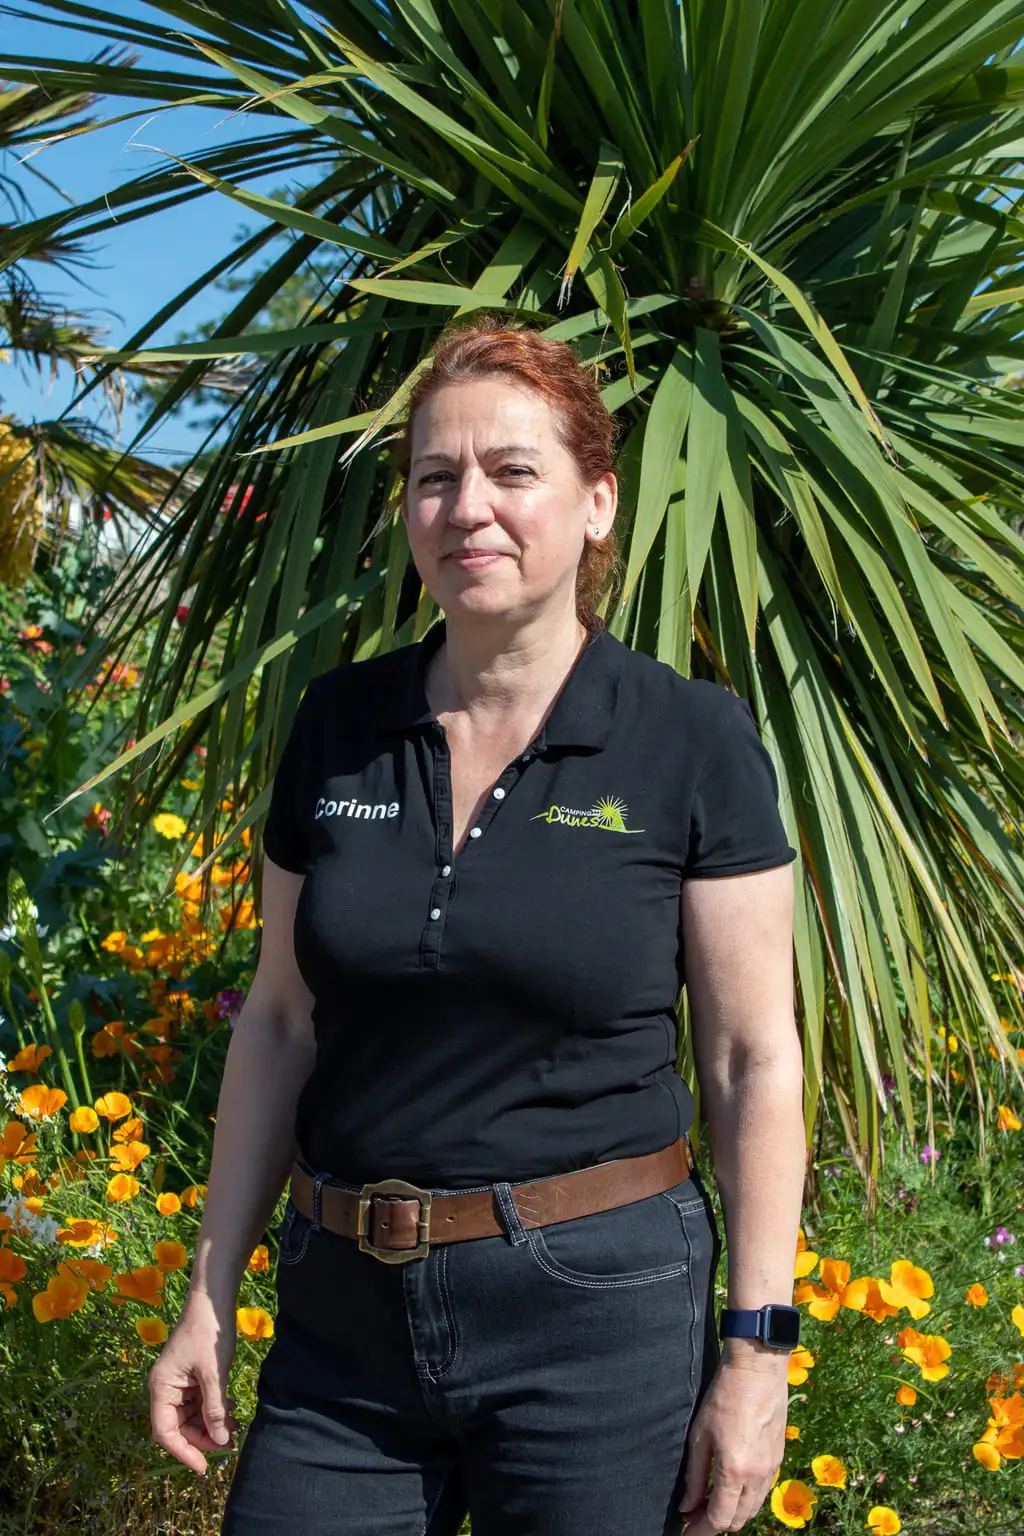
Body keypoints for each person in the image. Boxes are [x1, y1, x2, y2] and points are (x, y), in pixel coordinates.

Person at [148, 320, 806, 1536]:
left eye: (513, 471)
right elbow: (281, 1026)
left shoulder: (689, 740)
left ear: (598, 502)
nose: (468, 509)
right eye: (435, 478)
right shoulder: (340, 725)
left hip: (594, 1313)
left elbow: (750, 1059)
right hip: (342, 1320)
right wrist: (206, 1292)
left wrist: (756, 1353)